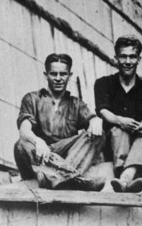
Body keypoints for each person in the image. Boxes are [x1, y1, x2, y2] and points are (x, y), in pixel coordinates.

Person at [14, 53, 106, 191]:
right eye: (53, 74)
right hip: (39, 155)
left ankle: (58, 178)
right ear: (46, 75)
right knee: (21, 144)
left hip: (67, 156)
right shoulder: (32, 98)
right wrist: (38, 141)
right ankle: (73, 179)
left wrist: (95, 120)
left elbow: (92, 121)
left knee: (98, 134)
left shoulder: (76, 103)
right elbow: (24, 130)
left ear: (69, 75)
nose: (58, 78)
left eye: (63, 74)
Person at [95, 36, 142, 193]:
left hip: (138, 142)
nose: (127, 61)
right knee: (119, 130)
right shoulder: (104, 83)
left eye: (132, 57)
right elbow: (103, 111)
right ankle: (125, 175)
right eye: (123, 56)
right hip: (111, 144)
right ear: (116, 58)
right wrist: (119, 120)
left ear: (138, 59)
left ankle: (125, 177)